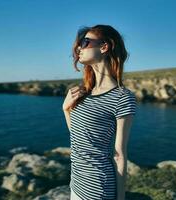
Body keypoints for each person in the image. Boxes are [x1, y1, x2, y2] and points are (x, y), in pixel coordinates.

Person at [62, 24, 137, 200]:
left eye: (85, 42)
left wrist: (120, 198)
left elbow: (119, 154)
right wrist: (66, 109)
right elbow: (79, 138)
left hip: (98, 189)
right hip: (77, 184)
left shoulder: (122, 97)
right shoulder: (85, 93)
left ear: (104, 47)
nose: (79, 48)